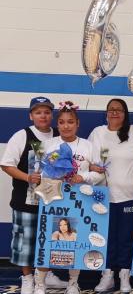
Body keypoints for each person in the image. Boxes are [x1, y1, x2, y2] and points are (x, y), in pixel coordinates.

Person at [0, 97, 67, 294]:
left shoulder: (59, 135)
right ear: (31, 115)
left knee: (49, 240)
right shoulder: (22, 135)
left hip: (53, 203)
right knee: (25, 243)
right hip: (26, 201)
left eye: (46, 112)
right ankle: (27, 278)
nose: (43, 116)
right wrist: (28, 177)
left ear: (52, 115)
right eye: (38, 112)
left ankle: (46, 276)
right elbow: (6, 165)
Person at [38, 101, 104, 294]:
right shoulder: (48, 145)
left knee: (75, 240)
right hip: (53, 199)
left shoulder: (88, 146)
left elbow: (100, 173)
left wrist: (83, 176)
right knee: (48, 240)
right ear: (57, 124)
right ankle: (40, 283)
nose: (66, 126)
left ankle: (73, 283)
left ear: (77, 124)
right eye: (62, 122)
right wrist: (56, 174)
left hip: (79, 200)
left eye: (70, 122)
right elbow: (38, 173)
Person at [88, 98, 133, 293]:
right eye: (111, 110)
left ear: (125, 113)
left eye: (119, 110)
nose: (114, 113)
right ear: (106, 113)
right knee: (106, 238)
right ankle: (107, 275)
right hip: (103, 197)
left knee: (126, 238)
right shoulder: (98, 133)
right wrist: (90, 166)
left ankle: (124, 276)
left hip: (131, 195)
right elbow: (88, 160)